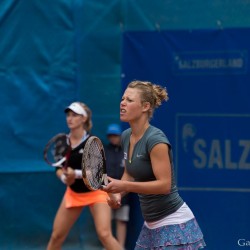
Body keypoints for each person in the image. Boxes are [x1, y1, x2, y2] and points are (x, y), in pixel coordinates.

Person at [102, 81, 206, 249]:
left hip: (175, 223)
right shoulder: (126, 136)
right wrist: (119, 194)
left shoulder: (156, 140)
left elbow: (164, 185)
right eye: (123, 99)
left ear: (145, 106)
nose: (122, 103)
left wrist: (123, 185)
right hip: (150, 226)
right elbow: (130, 172)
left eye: (129, 100)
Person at [46, 102, 122, 250]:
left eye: (75, 115)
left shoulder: (92, 142)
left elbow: (97, 173)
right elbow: (59, 169)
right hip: (74, 192)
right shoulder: (62, 143)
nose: (70, 118)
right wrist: (64, 178)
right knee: (56, 236)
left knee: (105, 235)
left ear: (84, 119)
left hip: (97, 191)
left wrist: (74, 173)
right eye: (68, 115)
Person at [104, 123, 130, 249]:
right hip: (106, 193)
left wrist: (121, 192)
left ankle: (120, 246)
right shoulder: (104, 151)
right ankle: (108, 246)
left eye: (115, 135)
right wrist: (105, 188)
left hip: (123, 195)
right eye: (110, 136)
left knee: (121, 220)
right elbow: (101, 171)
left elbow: (130, 174)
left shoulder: (127, 151)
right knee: (106, 222)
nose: (113, 138)